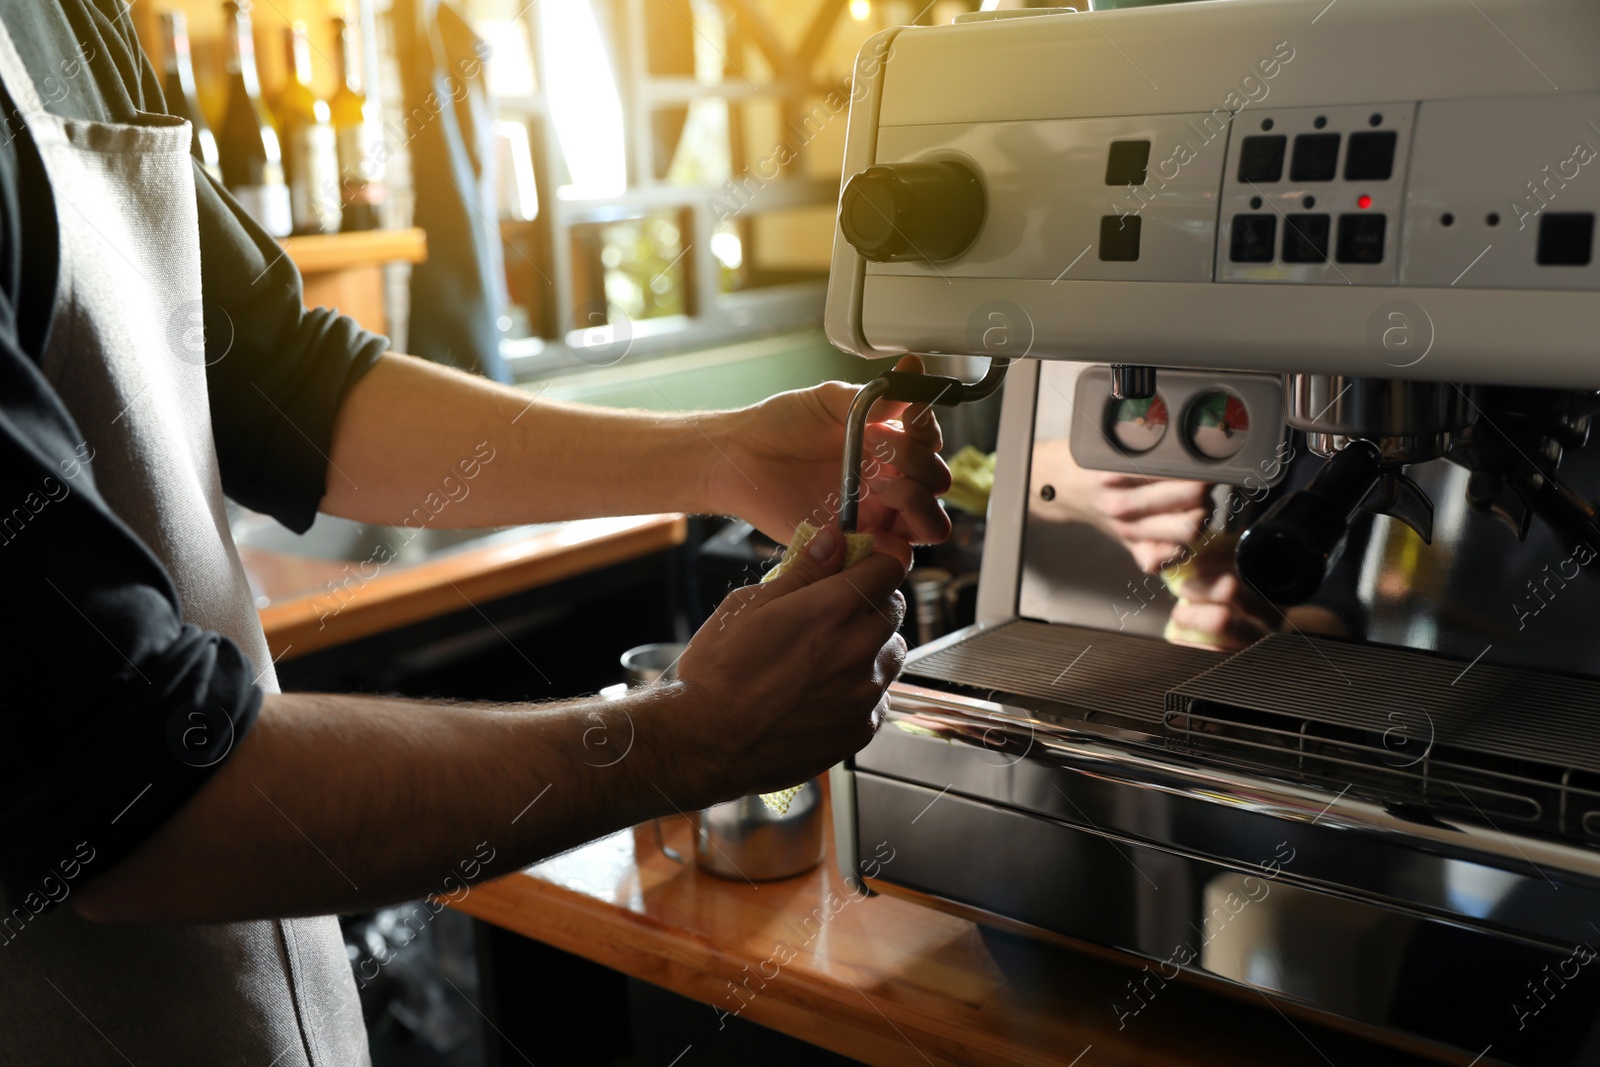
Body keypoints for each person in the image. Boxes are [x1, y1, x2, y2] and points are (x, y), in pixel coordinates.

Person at [0, 3, 949, 1063]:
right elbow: (140, 797)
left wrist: (719, 454)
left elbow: (278, 385)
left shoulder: (71, 18)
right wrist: (692, 733)